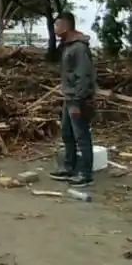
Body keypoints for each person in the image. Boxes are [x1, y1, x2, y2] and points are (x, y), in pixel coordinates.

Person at [48, 12, 97, 187]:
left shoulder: (79, 48)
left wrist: (77, 101)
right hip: (68, 98)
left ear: (66, 26)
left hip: (77, 99)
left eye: (57, 25)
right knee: (67, 134)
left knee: (81, 136)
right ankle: (69, 168)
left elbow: (83, 76)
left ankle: (86, 174)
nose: (55, 29)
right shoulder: (67, 46)